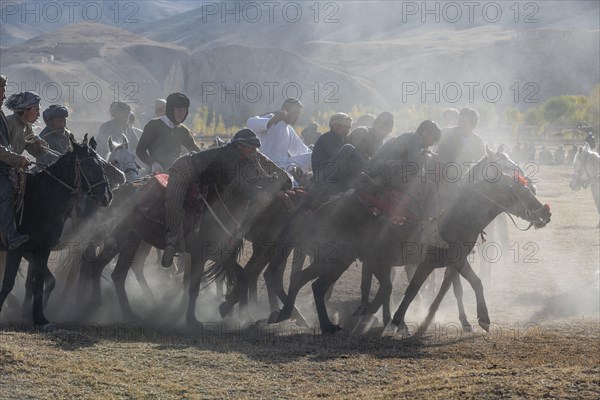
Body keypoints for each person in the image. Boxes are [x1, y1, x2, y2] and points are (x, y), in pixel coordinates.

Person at [161, 128, 292, 267]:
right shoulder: (227, 159)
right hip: (185, 170)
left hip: (207, 176)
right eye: (251, 147)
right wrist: (259, 195)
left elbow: (278, 178)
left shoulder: (251, 155)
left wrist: (278, 187)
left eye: (255, 147)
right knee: (174, 203)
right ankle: (172, 241)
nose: (254, 150)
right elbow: (239, 186)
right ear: (239, 146)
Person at [366, 120, 447, 247]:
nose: (432, 144)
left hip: (383, 170)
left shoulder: (409, 136)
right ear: (425, 133)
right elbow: (413, 166)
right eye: (433, 139)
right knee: (430, 186)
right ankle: (430, 228)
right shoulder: (414, 140)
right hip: (387, 173)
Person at [0, 88, 51, 250]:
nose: (38, 113)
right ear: (25, 110)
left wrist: (41, 147)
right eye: (36, 109)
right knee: (5, 192)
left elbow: (34, 151)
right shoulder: (9, 123)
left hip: (12, 169)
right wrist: (18, 159)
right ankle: (10, 235)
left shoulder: (27, 127)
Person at [136, 93, 200, 174]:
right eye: (179, 109)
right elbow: (140, 150)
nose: (182, 113)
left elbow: (195, 150)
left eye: (184, 110)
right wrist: (152, 163)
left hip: (176, 174)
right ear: (170, 109)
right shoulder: (153, 125)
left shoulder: (183, 131)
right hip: (155, 174)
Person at [246, 98, 312, 171]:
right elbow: (250, 123)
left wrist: (316, 151)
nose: (296, 116)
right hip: (268, 165)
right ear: (284, 110)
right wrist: (272, 120)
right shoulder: (270, 118)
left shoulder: (289, 130)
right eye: (294, 113)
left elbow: (301, 150)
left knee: (314, 156)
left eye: (298, 113)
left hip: (286, 166)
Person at [437, 107, 486, 198]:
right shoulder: (445, 133)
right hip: (438, 178)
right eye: (460, 120)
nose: (461, 124)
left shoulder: (477, 142)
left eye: (465, 121)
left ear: (473, 125)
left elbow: (482, 164)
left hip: (461, 183)